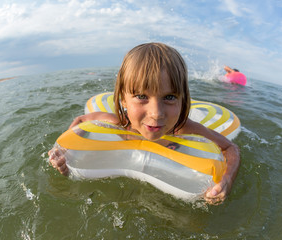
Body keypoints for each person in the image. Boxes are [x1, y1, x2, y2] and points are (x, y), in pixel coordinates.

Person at [49, 43, 240, 204]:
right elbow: (82, 121)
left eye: (170, 97)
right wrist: (64, 151)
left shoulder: (184, 128)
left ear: (183, 99)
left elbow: (230, 148)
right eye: (141, 96)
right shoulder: (119, 122)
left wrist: (227, 180)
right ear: (123, 100)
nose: (156, 114)